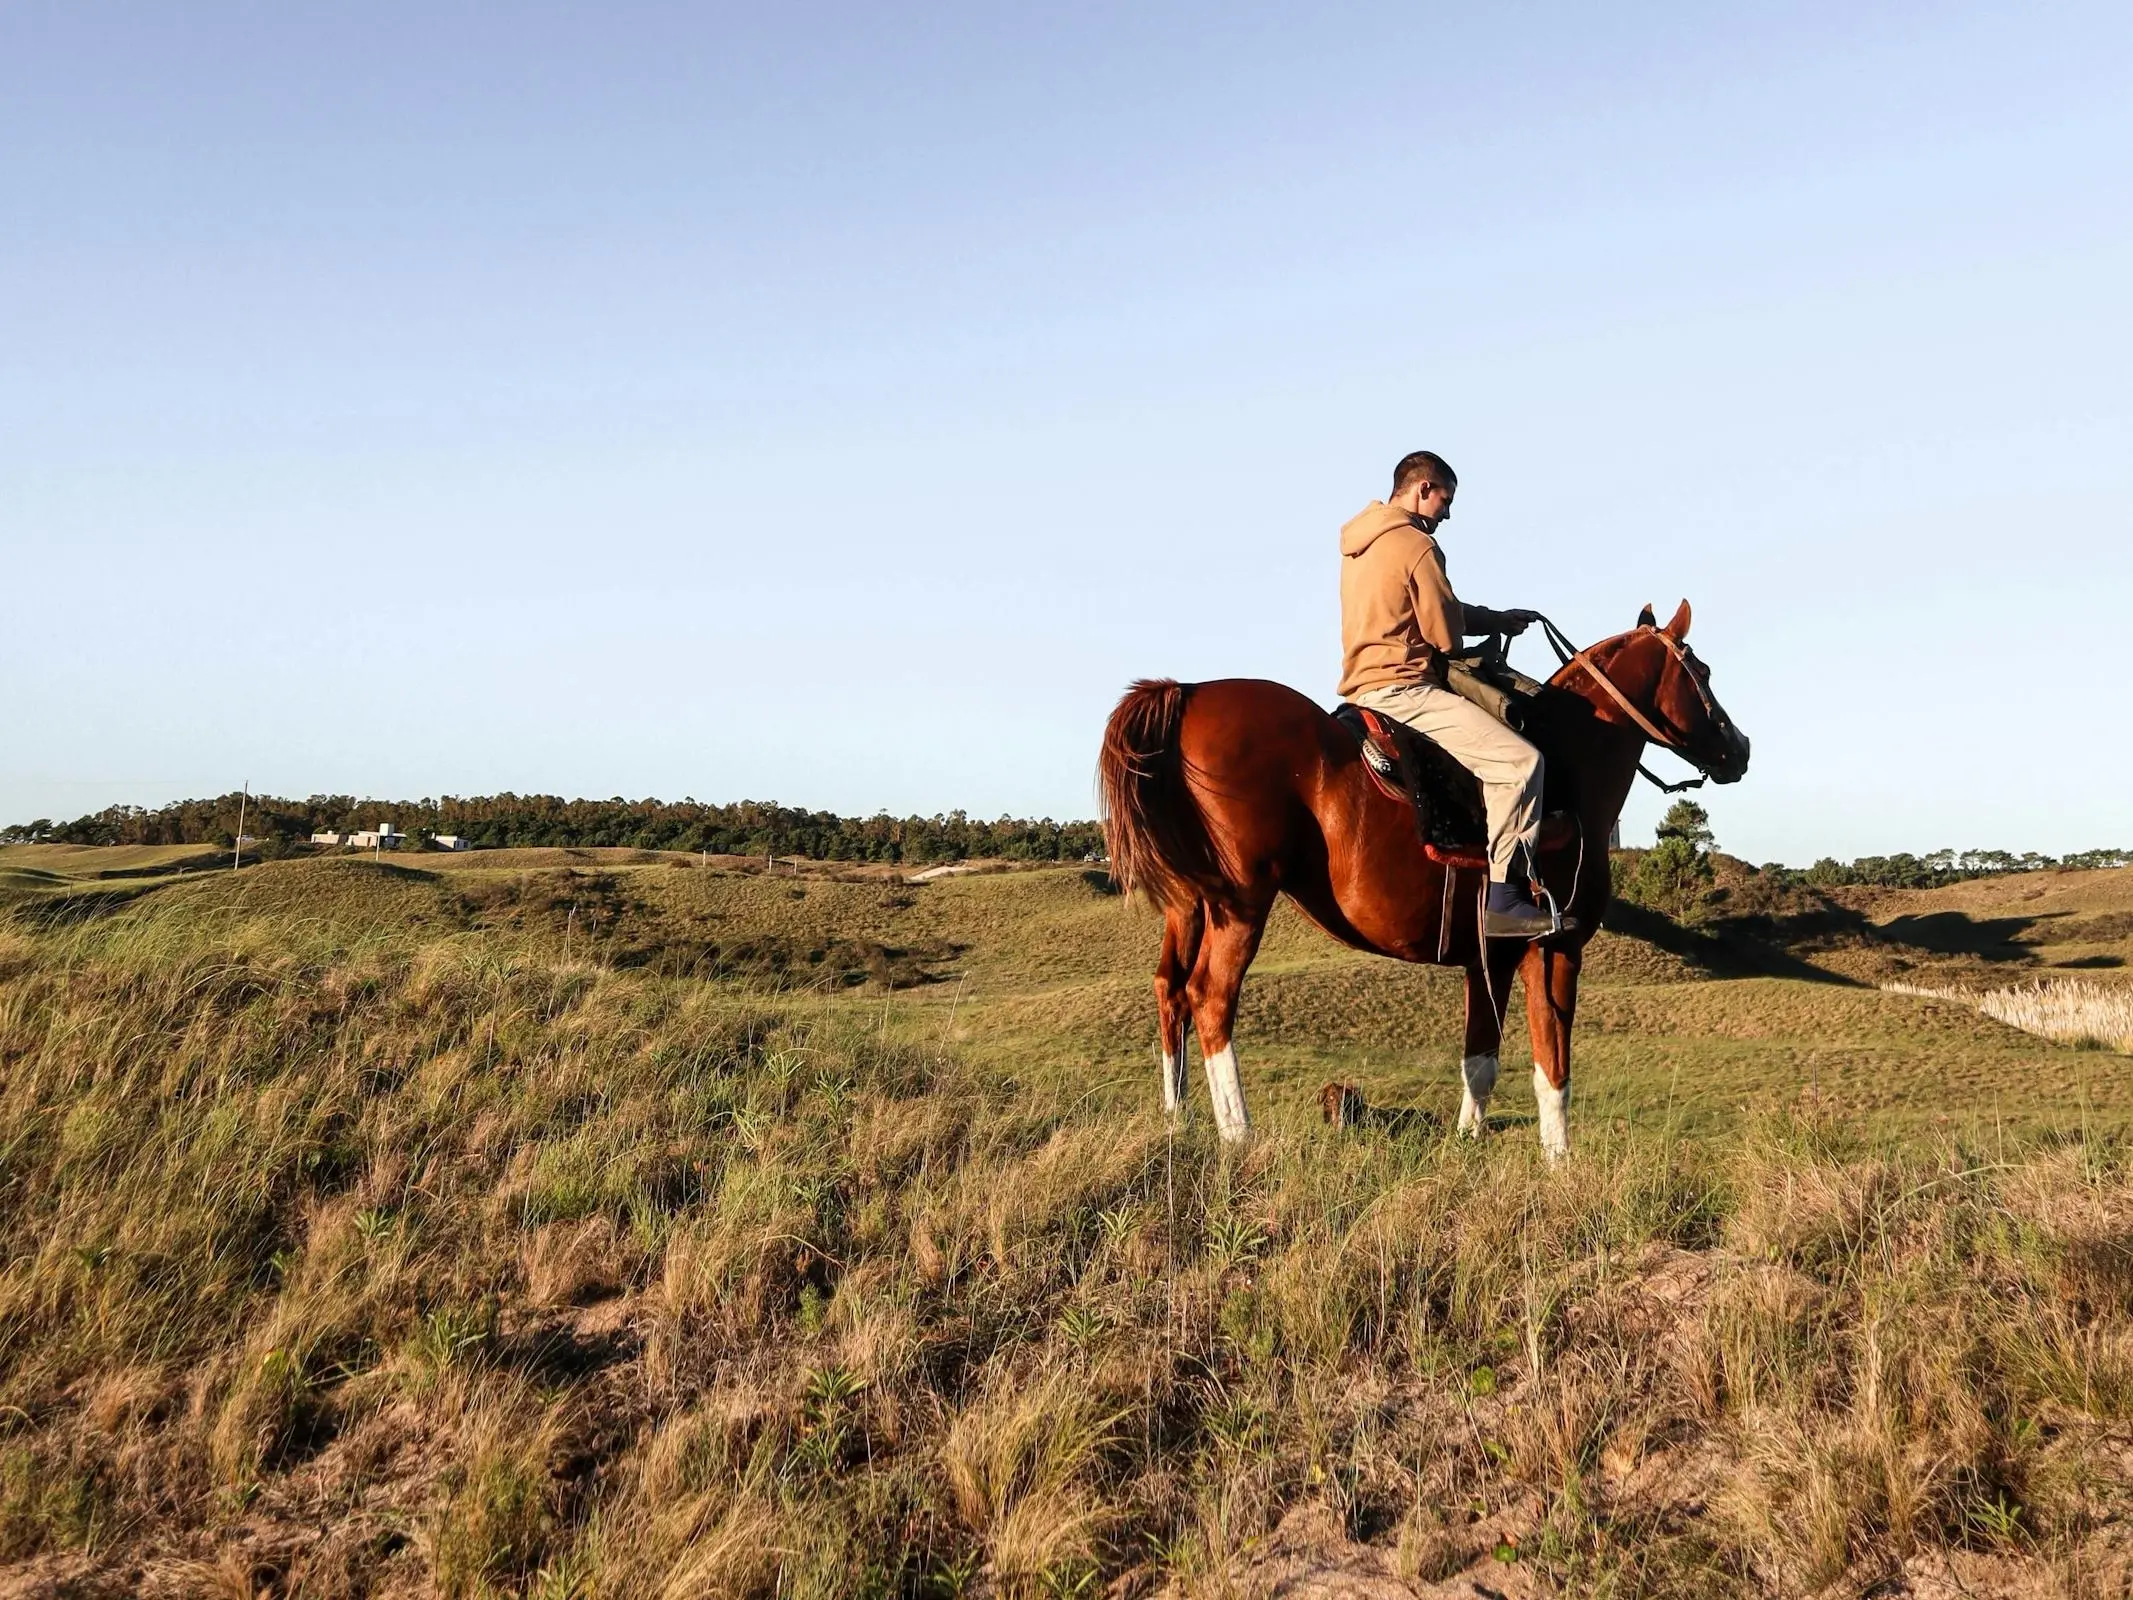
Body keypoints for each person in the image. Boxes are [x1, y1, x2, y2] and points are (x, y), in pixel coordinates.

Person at [1338, 450, 1564, 939]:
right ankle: (1507, 900)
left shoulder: (1359, 542)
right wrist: (1475, 629)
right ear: (1423, 489)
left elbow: (1432, 607)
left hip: (1362, 685)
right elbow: (1445, 637)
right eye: (1446, 498)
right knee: (1521, 763)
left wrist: (1496, 618)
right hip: (1405, 688)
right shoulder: (1417, 545)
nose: (1448, 512)